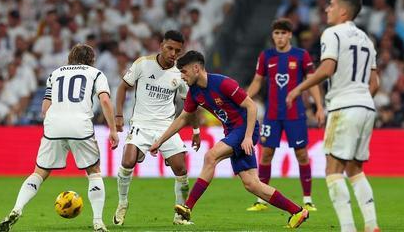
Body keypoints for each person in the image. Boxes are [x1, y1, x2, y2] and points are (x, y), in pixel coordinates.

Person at [149, 50, 309, 228]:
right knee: (252, 184)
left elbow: (251, 106)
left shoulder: (223, 83)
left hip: (245, 129)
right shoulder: (194, 92)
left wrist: (248, 137)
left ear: (196, 68)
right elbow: (182, 119)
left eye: (184, 71)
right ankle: (297, 211)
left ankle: (188, 207)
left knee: (211, 156)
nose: (182, 76)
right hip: (232, 132)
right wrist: (160, 141)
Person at [0, 44, 119, 232]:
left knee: (39, 172)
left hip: (53, 124)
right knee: (93, 171)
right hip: (80, 125)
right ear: (91, 60)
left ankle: (16, 209)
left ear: (70, 57)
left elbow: (45, 108)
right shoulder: (96, 74)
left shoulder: (55, 74)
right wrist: (112, 130)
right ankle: (97, 221)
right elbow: (104, 100)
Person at [286, 0, 380, 232]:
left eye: (331, 5)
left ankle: (348, 228)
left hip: (344, 106)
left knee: (333, 170)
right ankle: (371, 225)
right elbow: (375, 83)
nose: (327, 9)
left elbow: (327, 68)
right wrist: (361, 99)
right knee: (355, 169)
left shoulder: (333, 33)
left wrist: (298, 89)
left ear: (343, 12)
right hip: (366, 106)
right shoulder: (366, 39)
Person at [113, 30, 200, 226]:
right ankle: (122, 203)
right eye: (169, 48)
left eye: (177, 50)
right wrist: (118, 115)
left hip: (166, 127)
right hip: (141, 125)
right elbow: (122, 88)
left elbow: (190, 105)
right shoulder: (143, 64)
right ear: (161, 45)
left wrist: (196, 131)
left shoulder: (180, 73)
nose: (173, 53)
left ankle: (179, 215)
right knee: (127, 161)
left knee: (181, 169)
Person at [246, 18, 324, 212]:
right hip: (272, 115)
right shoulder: (266, 56)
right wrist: (244, 98)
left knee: (302, 154)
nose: (279, 37)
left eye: (283, 33)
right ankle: (261, 201)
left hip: (295, 114)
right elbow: (257, 81)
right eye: (276, 33)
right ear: (273, 36)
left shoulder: (301, 55)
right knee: (266, 155)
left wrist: (319, 106)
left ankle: (307, 199)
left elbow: (312, 81)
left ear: (290, 35)